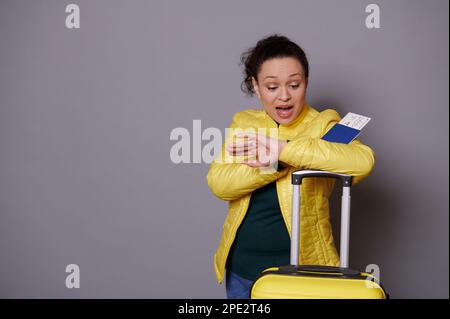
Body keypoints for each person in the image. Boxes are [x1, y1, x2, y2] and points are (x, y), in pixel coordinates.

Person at [206, 34, 375, 299]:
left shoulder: (323, 124)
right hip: (241, 270)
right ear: (256, 86)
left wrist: (284, 150)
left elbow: (362, 161)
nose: (284, 96)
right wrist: (274, 163)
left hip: (303, 272)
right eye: (272, 87)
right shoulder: (244, 123)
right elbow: (220, 183)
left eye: (294, 85)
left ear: (306, 83)